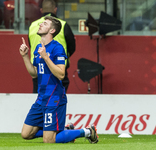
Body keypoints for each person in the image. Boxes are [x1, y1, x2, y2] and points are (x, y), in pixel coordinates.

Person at [19, 15, 98, 143]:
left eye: (45, 24)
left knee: (48, 141)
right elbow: (34, 74)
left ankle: (88, 131)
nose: (40, 24)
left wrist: (45, 57)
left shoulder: (57, 48)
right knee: (26, 134)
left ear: (52, 31)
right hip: (41, 97)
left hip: (54, 97)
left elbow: (61, 74)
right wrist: (24, 56)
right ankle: (65, 130)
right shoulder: (38, 49)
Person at [28, 0, 75, 93]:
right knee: (55, 100)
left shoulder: (33, 26)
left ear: (41, 10)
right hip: (58, 68)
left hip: (38, 69)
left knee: (42, 99)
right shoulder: (63, 25)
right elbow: (72, 47)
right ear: (55, 9)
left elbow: (30, 44)